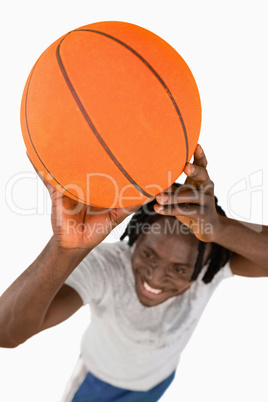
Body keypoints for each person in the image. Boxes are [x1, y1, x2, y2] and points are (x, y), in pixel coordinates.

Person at [0, 145, 267, 402]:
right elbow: (6, 333)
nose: (156, 278)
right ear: (136, 237)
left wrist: (220, 228)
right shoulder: (107, 267)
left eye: (179, 269)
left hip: (157, 380)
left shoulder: (210, 266)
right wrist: (64, 250)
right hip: (100, 383)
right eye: (149, 254)